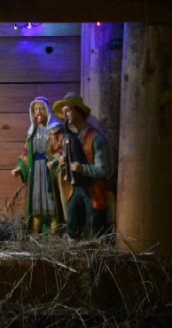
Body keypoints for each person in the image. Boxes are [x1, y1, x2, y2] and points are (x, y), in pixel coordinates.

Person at [52, 92, 111, 239]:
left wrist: (82, 168)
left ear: (78, 111)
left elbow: (104, 169)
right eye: (63, 112)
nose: (64, 116)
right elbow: (63, 155)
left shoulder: (95, 138)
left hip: (94, 189)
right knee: (72, 223)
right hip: (76, 188)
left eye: (68, 111)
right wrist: (61, 161)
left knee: (94, 226)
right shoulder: (70, 138)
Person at [11, 96, 64, 233]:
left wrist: (56, 161)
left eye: (42, 109)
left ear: (48, 111)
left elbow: (62, 149)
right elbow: (25, 153)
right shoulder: (32, 132)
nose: (39, 112)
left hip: (48, 171)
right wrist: (20, 167)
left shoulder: (55, 130)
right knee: (36, 201)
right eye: (36, 109)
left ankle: (54, 233)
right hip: (35, 172)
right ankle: (35, 234)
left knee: (51, 199)